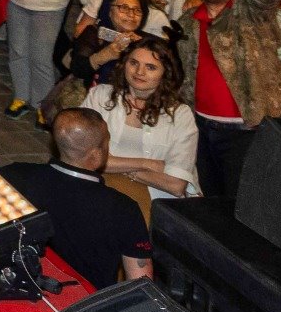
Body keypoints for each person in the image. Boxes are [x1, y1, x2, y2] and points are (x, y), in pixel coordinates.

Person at [175, 0, 281, 201]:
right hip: (201, 128)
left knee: (246, 206)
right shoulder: (187, 21)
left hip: (249, 130)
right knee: (212, 201)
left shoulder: (248, 11)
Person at [0, 112, 152, 289]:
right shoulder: (123, 209)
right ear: (95, 155)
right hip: (84, 305)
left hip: (19, 285)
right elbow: (141, 285)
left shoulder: (15, 174)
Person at [81, 38, 199, 201]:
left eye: (150, 67)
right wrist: (147, 164)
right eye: (134, 63)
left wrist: (121, 168)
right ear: (124, 64)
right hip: (101, 189)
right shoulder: (100, 96)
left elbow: (176, 185)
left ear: (166, 72)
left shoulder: (180, 114)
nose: (139, 72)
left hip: (156, 199)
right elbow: (82, 156)